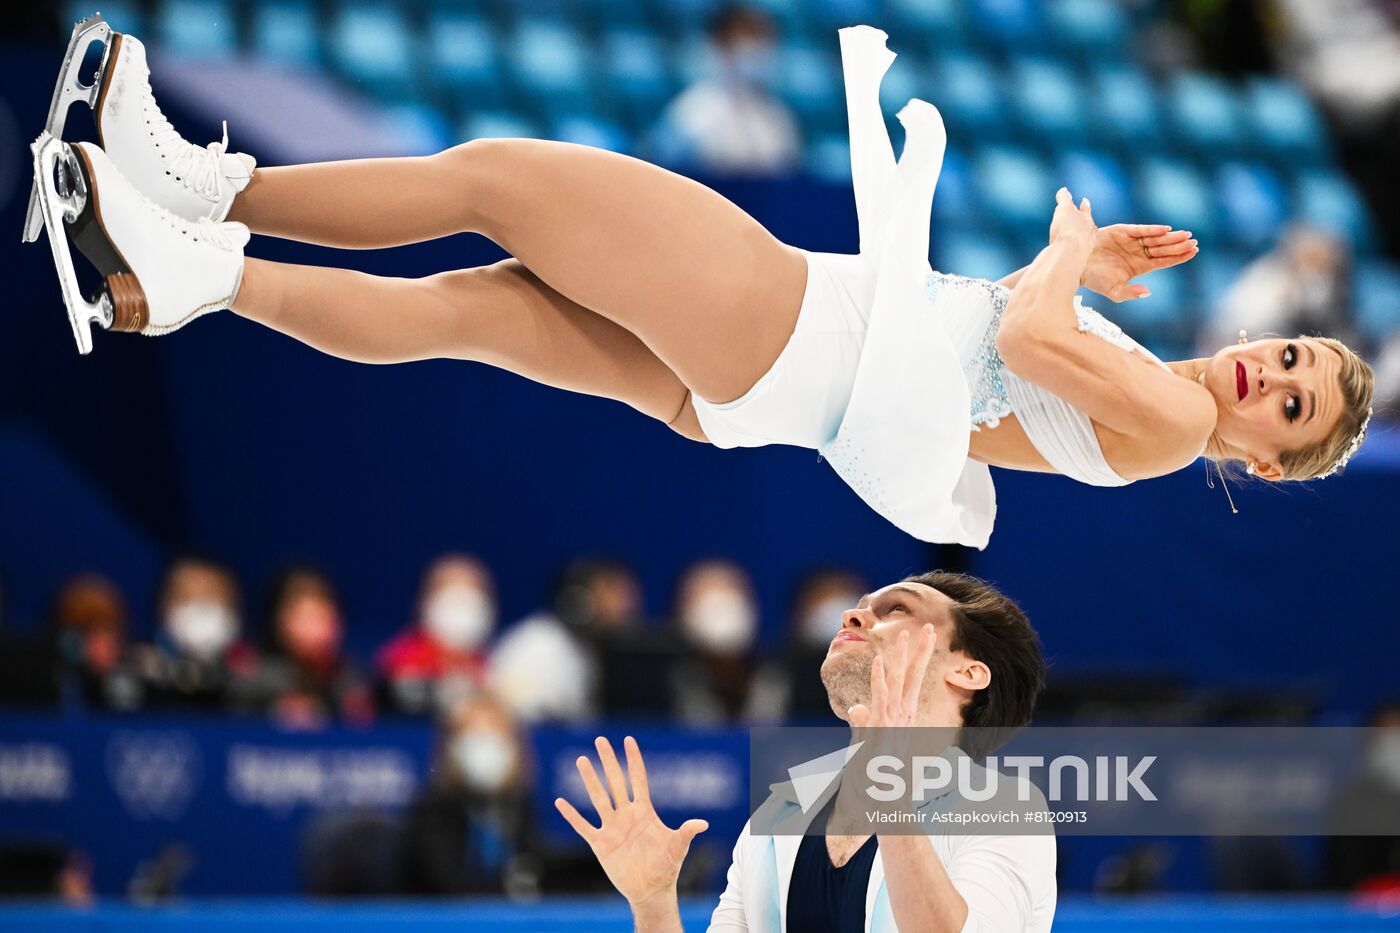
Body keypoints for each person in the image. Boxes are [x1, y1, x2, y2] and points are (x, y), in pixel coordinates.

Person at [35, 26, 1373, 547]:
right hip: (769, 387)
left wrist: (1073, 253)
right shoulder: (1155, 395)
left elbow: (1018, 328)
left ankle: (197, 191)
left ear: (1265, 457)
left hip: (791, 322)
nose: (1281, 376)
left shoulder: (1180, 420)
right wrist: (1073, 279)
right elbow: (1007, 356)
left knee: (496, 178)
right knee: (466, 309)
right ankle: (177, 278)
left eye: (1296, 409)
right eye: (1300, 359)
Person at [555, 571, 1055, 931]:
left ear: (968, 672)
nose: (852, 613)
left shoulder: (1005, 808)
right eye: (861, 604)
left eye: (896, 608)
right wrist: (653, 904)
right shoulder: (779, 813)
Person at [400, 692, 543, 897]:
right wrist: (512, 891)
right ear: (452, 746)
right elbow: (446, 884)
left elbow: (532, 868)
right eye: (473, 735)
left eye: (493, 734)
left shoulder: (520, 805)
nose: (484, 746)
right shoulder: (434, 809)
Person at [490, 557, 646, 722]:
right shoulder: (540, 644)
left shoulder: (589, 652)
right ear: (580, 600)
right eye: (616, 593)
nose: (627, 606)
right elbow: (515, 718)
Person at [651, 4, 802, 174]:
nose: (756, 51)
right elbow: (664, 165)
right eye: (747, 40)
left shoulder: (777, 116)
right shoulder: (692, 110)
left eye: (762, 40)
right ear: (721, 44)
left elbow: (787, 171)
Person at [234, 565, 374, 727]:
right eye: (304, 616)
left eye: (322, 615)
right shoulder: (251, 671)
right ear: (278, 620)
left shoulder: (351, 676)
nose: (315, 627)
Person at [668, 559, 785, 725]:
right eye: (709, 602)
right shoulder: (666, 686)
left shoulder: (780, 678)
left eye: (732, 597)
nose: (723, 611)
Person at [132, 554, 256, 711]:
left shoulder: (256, 673)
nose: (200, 610)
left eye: (212, 597)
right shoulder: (136, 670)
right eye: (187, 597)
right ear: (161, 606)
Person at [377, 554, 497, 715]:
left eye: (474, 593)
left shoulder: (494, 664)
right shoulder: (398, 662)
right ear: (423, 603)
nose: (463, 606)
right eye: (450, 594)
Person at [50, 572, 143, 711]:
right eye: (85, 632)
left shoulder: (140, 678)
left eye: (106, 630)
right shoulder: (54, 688)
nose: (98, 643)